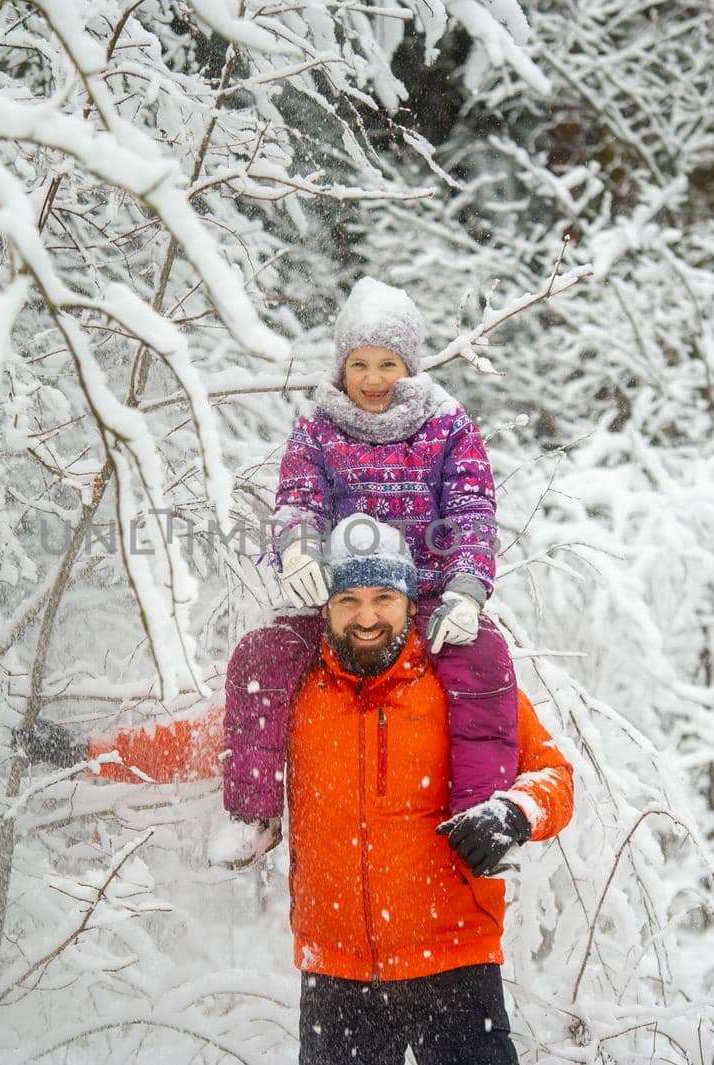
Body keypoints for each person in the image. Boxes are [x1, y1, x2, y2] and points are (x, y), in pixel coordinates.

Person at [21, 514, 575, 1064]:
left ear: (411, 602)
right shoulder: (293, 694)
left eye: (384, 597)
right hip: (338, 980)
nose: (366, 617)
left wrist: (515, 811)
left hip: (455, 967)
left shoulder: (458, 689)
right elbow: (190, 745)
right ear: (325, 608)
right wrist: (86, 753)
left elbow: (554, 774)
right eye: (348, 599)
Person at [219, 277, 516, 865]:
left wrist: (465, 592)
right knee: (262, 656)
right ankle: (253, 814)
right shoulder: (319, 424)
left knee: (483, 658)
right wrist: (300, 550)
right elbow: (299, 497)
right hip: (343, 597)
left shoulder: (447, 424)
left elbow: (471, 512)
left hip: (422, 594)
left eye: (388, 363)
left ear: (411, 363)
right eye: (360, 363)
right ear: (341, 366)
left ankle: (482, 816)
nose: (374, 379)